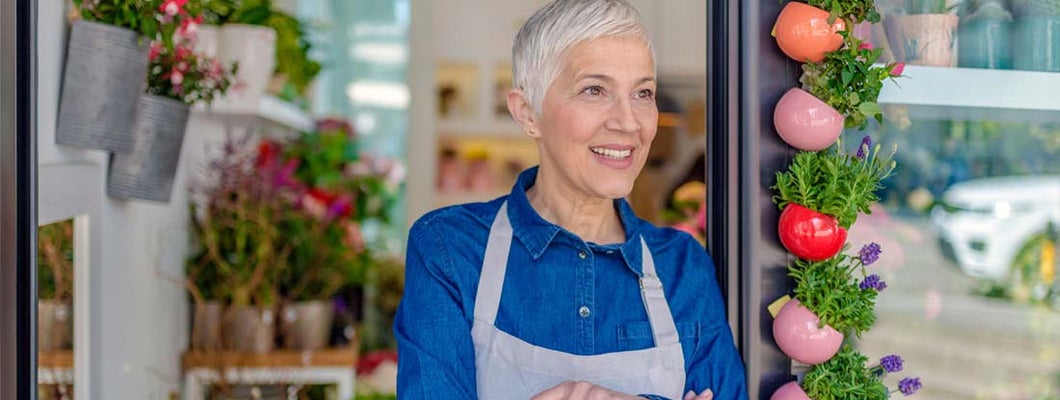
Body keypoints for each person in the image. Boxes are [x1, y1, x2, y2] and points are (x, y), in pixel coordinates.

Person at [394, 1, 748, 399]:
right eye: (594, 90)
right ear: (528, 112)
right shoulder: (449, 249)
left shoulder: (682, 267)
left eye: (643, 92)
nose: (629, 122)